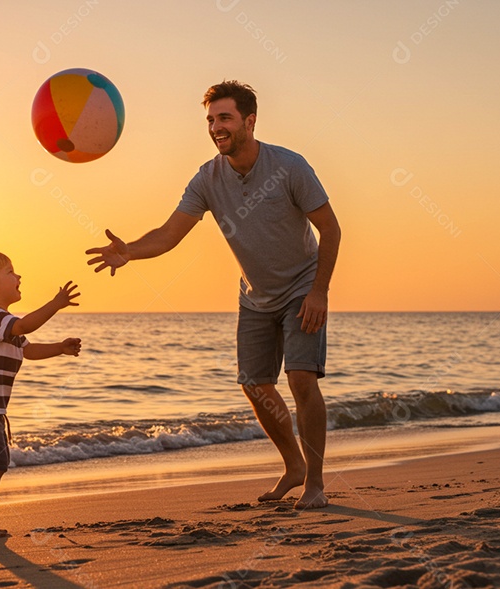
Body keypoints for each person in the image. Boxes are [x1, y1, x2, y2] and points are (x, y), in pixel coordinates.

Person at [85, 80, 341, 509]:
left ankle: (315, 481)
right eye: (210, 120)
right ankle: (293, 466)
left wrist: (320, 291)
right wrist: (129, 250)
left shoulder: (290, 167)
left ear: (250, 121)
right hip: (255, 295)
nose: (215, 127)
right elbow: (170, 233)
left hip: (302, 285)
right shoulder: (207, 178)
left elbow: (330, 228)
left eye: (224, 118)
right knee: (255, 385)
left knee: (300, 379)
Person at [0, 251, 82, 537]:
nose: (19, 276)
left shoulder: (5, 323)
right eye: (11, 272)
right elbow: (24, 326)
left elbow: (29, 349)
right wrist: (56, 304)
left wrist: (59, 347)